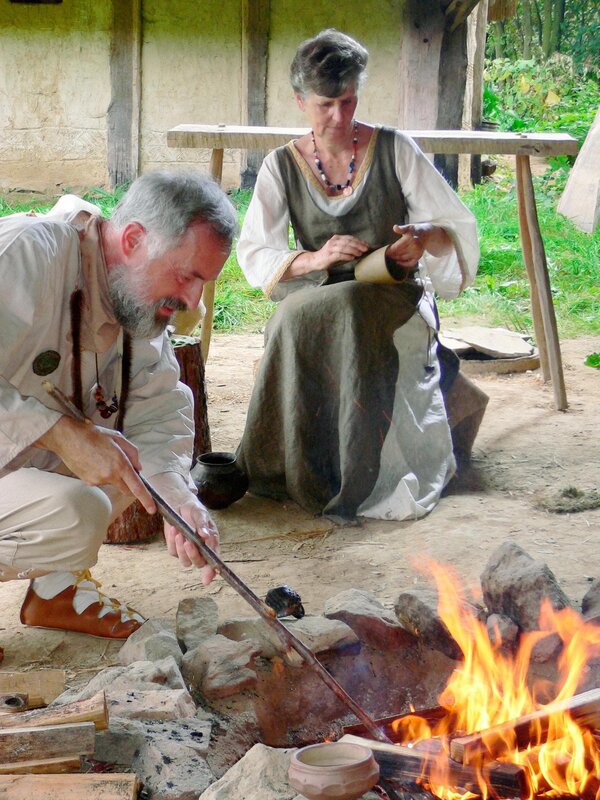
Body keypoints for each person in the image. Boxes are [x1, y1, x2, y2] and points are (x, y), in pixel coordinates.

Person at [236, 29, 488, 523]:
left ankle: (364, 476)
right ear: (300, 101)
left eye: (348, 101)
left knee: (353, 308)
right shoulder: (280, 166)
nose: (339, 116)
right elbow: (256, 252)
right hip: (317, 293)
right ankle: (296, 466)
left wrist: (423, 237)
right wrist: (317, 257)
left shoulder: (394, 149)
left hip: (393, 295)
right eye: (325, 105)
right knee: (294, 318)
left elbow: (455, 228)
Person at [0, 170, 237, 639]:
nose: (191, 301)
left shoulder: (133, 299)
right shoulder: (25, 254)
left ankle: (56, 593)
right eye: (186, 276)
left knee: (129, 460)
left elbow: (159, 411)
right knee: (79, 499)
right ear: (132, 240)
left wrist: (179, 499)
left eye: (203, 284)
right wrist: (59, 432)